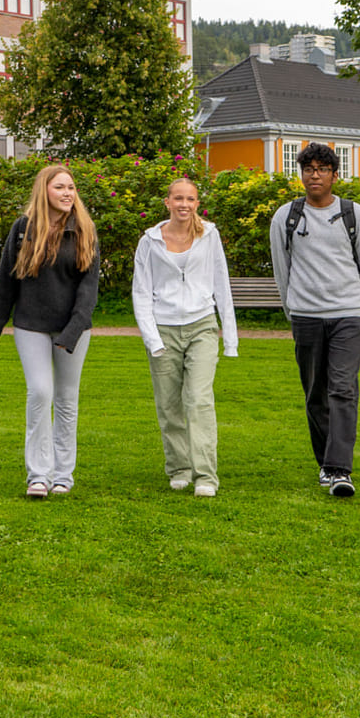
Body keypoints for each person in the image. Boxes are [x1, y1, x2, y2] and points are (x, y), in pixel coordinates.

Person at [0, 165, 100, 499]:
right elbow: (6, 281)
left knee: (66, 400)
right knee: (39, 393)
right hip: (30, 325)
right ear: (44, 191)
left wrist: (72, 331)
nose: (67, 193)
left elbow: (88, 290)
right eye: (60, 187)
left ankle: (63, 475)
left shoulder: (84, 230)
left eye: (71, 188)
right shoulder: (23, 229)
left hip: (72, 330)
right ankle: (38, 475)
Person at [269, 143, 360, 497]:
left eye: (322, 169)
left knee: (342, 390)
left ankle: (339, 468)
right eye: (308, 168)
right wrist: (293, 309)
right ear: (301, 174)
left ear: (334, 174)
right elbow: (282, 270)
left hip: (347, 314)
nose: (314, 175)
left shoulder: (353, 214)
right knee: (316, 393)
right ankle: (325, 464)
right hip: (306, 317)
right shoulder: (286, 216)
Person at [132, 177, 238, 498]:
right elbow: (141, 293)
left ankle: (206, 475)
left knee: (199, 399)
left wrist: (229, 339)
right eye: (178, 198)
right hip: (163, 329)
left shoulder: (210, 235)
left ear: (196, 203)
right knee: (169, 404)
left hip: (202, 326)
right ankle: (179, 468)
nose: (184, 205)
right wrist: (153, 339)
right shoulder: (150, 241)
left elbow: (222, 284)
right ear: (167, 202)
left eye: (190, 199)